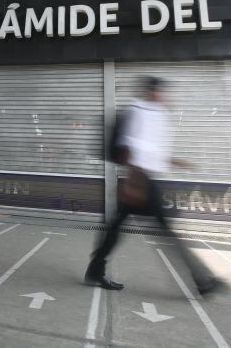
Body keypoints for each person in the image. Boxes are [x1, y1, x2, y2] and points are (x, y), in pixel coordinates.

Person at [85, 76, 222, 295]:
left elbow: (150, 151)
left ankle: (95, 269)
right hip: (139, 181)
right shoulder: (139, 111)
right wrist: (132, 184)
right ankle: (202, 280)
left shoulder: (154, 114)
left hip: (140, 180)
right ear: (150, 92)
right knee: (164, 230)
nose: (165, 96)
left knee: (117, 228)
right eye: (161, 91)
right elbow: (129, 147)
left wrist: (175, 161)